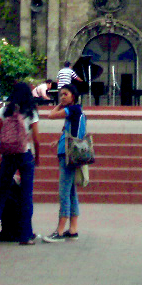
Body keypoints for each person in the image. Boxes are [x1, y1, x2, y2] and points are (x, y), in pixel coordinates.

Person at [0, 81, 41, 245]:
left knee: (1, 194)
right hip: (24, 155)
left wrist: (3, 143)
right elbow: (36, 139)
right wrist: (37, 157)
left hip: (8, 155)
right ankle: (25, 235)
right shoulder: (30, 112)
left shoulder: (4, 110)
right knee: (26, 195)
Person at [40, 83, 84, 242]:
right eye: (61, 95)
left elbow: (50, 115)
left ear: (73, 95)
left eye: (65, 94)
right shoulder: (75, 111)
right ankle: (73, 230)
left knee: (64, 191)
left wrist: (59, 104)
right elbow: (68, 129)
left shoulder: (73, 109)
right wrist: (57, 140)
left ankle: (59, 231)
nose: (63, 97)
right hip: (68, 154)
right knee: (71, 191)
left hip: (68, 155)